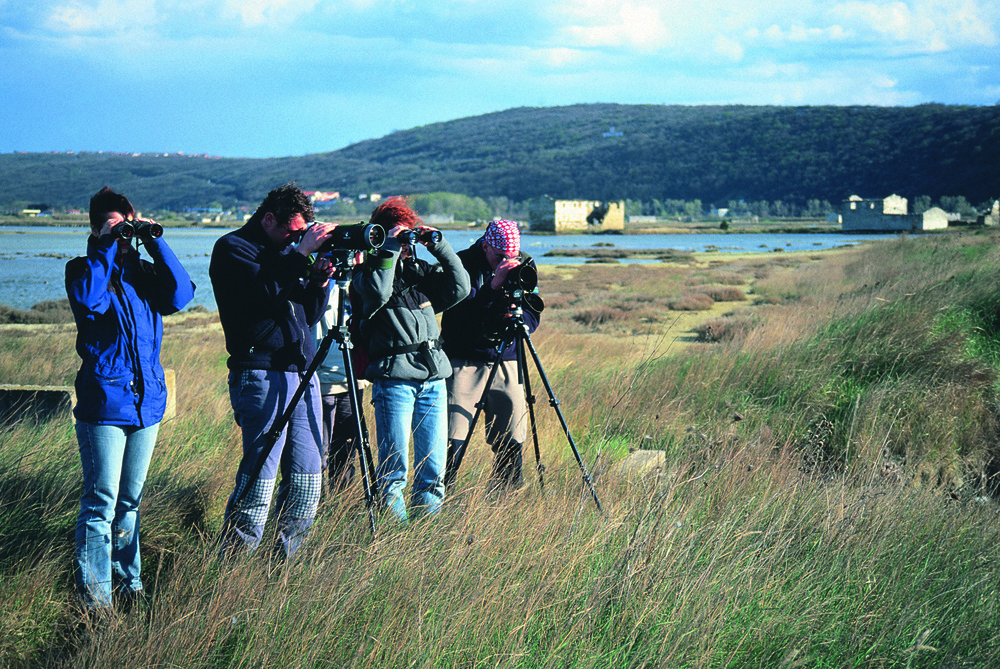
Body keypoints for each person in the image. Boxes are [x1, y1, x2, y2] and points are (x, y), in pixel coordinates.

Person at [66, 186, 195, 613]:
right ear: (96, 226)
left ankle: (130, 584)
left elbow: (181, 295)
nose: (124, 234)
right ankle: (96, 599)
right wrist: (105, 245)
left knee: (130, 501)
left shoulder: (144, 273)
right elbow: (89, 302)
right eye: (114, 226)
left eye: (127, 224)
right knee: (101, 500)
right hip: (104, 405)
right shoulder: (82, 270)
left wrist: (155, 240)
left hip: (146, 404)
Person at [210, 183, 337, 558]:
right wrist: (300, 253)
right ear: (268, 219)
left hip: (301, 370)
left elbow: (308, 316)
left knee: (307, 477)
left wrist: (319, 280)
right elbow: (262, 296)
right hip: (261, 372)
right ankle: (232, 566)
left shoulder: (287, 253)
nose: (296, 238)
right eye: (291, 231)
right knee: (260, 479)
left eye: (302, 233)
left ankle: (286, 567)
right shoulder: (233, 248)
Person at [352, 197, 470, 523]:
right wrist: (388, 248)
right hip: (395, 380)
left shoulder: (420, 273)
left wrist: (439, 245)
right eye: (397, 235)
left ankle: (423, 539)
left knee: (433, 469)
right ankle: (393, 542)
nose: (405, 243)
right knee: (394, 470)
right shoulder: (365, 275)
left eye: (407, 236)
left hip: (432, 378)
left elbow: (461, 288)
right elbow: (377, 294)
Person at [441, 219, 540, 492]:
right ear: (486, 247)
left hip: (507, 356)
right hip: (464, 358)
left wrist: (519, 323)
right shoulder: (460, 263)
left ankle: (504, 503)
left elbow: (533, 311)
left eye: (513, 257)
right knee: (452, 437)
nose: (507, 262)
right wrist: (492, 287)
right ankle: (441, 501)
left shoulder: (525, 264)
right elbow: (456, 319)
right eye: (500, 257)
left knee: (512, 438)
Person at [311, 268, 370, 495]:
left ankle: (339, 505)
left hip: (352, 376)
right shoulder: (317, 272)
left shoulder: (361, 279)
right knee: (318, 451)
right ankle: (312, 502)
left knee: (346, 449)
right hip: (321, 377)